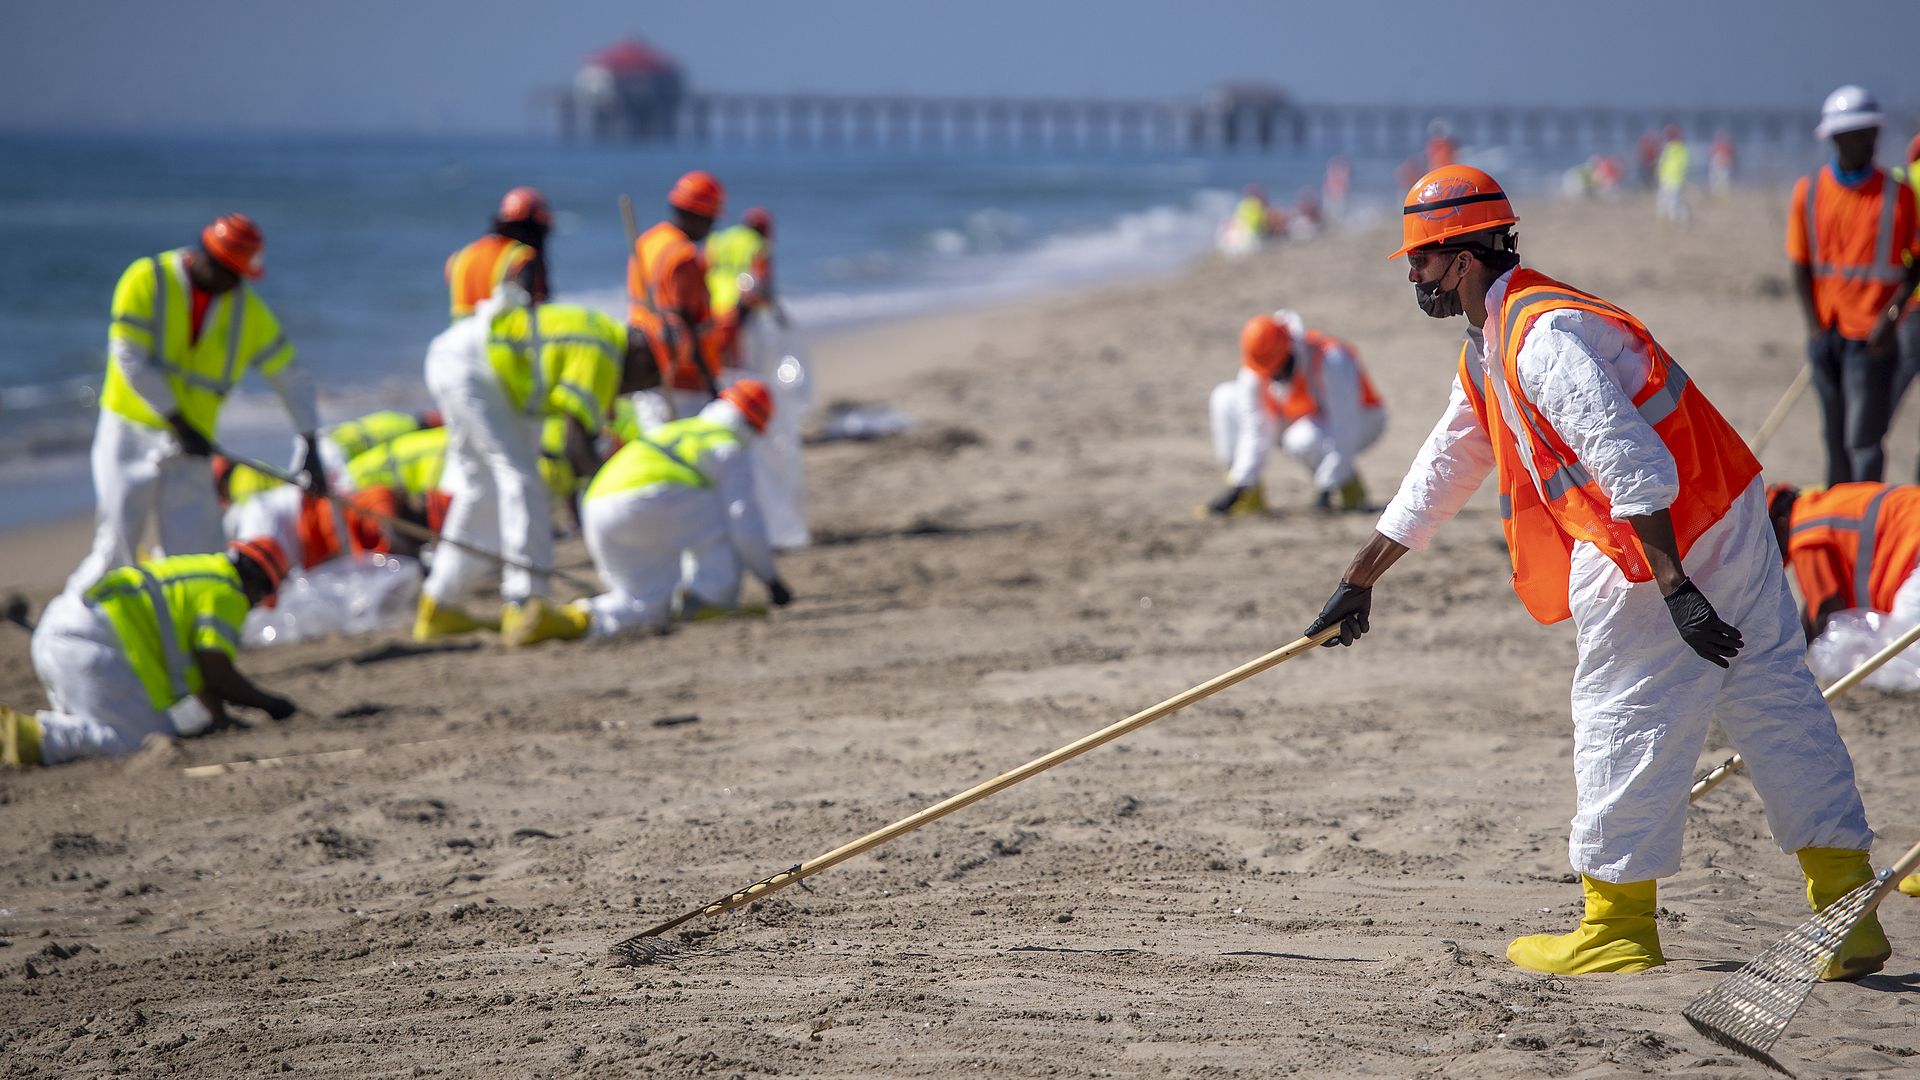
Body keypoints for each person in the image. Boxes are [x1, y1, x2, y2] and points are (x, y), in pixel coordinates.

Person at [1303, 165, 1885, 980]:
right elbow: (1445, 465)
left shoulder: (1539, 339)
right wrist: (1362, 576)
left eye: (1423, 260)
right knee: (1772, 695)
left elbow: (1633, 462)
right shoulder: (1498, 341)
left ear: (1465, 258)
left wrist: (1677, 590)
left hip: (1653, 545)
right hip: (1727, 512)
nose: (1412, 275)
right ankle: (1848, 912)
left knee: (1623, 708)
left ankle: (1616, 926)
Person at [67, 215, 322, 596]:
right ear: (208, 258)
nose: (236, 284)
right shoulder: (147, 278)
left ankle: (187, 640)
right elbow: (129, 358)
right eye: (231, 274)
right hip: (130, 435)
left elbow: (291, 377)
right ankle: (71, 623)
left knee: (196, 555)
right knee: (116, 547)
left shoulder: (247, 311)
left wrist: (310, 442)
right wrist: (178, 422)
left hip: (194, 447)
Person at [413, 296, 651, 646]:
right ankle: (527, 602)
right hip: (471, 366)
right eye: (646, 380)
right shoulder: (604, 352)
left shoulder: (605, 340)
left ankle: (438, 606)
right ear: (640, 357)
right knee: (522, 478)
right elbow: (576, 447)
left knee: (482, 493)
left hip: (463, 362)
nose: (633, 392)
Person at [2, 539, 296, 768]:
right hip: (92, 644)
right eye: (260, 598)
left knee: (97, 721)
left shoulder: (204, 571)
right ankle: (16, 735)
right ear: (258, 583)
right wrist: (272, 704)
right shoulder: (228, 593)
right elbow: (216, 672)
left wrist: (219, 717)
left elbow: (199, 670)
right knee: (135, 739)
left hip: (64, 626)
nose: (255, 605)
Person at [572, 380, 792, 637]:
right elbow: (744, 522)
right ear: (754, 426)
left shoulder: (675, 430)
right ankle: (710, 598)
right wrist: (771, 580)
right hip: (646, 504)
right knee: (726, 513)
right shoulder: (726, 445)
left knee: (644, 605)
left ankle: (570, 619)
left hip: (597, 507)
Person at [1788, 86, 1920, 487]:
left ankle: (1865, 517)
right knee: (1834, 440)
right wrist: (1813, 327)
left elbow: (1915, 263)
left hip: (1872, 337)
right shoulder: (1808, 193)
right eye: (1862, 132)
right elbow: (1800, 265)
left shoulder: (1898, 195)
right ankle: (1838, 517)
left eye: (1872, 132)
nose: (1871, 140)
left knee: (1863, 440)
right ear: (1838, 138)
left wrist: (1892, 316)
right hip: (1827, 333)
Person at [1207, 311, 1386, 514]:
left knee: (1302, 439)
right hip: (1301, 419)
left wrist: (1326, 487)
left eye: (1279, 368)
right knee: (1224, 398)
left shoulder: (1332, 359)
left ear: (1289, 348)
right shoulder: (1256, 368)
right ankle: (1249, 496)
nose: (1275, 376)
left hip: (1365, 419)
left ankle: (1348, 489)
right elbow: (1254, 428)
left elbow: (1344, 427)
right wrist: (1240, 484)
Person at [630, 171, 733, 420]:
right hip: (683, 379)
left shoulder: (647, 242)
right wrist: (709, 382)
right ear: (699, 214)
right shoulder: (683, 256)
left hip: (644, 363)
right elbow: (686, 321)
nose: (711, 228)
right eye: (710, 220)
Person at [1769, 482, 1920, 638]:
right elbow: (1817, 605)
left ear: (1780, 524)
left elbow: (1830, 617)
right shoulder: (1824, 505)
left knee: (1901, 656)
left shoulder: (1805, 539)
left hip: (1916, 554)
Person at [226, 484, 409, 569]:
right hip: (309, 552)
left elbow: (383, 517)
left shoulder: (259, 510)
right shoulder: (257, 515)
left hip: (310, 542)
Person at [447, 187, 552, 321]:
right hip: (503, 341)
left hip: (459, 339)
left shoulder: (461, 256)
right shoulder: (524, 257)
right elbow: (536, 307)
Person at [1655, 125, 1689, 222]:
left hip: (1675, 178)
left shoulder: (1680, 149)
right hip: (1665, 178)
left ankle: (1677, 219)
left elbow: (1683, 164)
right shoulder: (1668, 148)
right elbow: (1662, 163)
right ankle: (1663, 219)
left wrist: (1682, 175)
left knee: (1674, 200)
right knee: (1663, 199)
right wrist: (1659, 173)